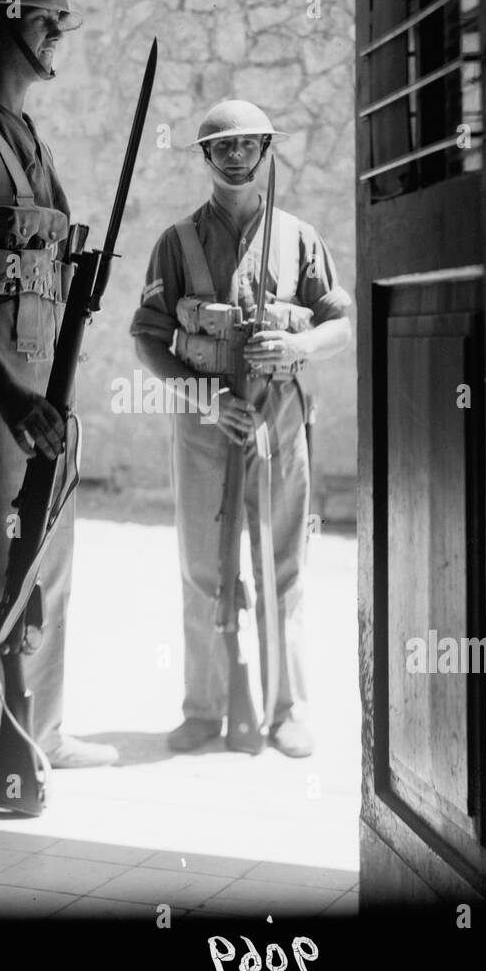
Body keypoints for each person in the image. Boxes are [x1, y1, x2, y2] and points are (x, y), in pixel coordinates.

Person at [130, 99, 352, 758]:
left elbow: (341, 321)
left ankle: (288, 711)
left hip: (278, 416)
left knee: (283, 564)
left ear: (265, 151)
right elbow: (148, 338)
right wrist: (200, 394)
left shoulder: (300, 237)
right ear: (204, 157)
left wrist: (300, 349)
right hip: (204, 420)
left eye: (246, 144)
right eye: (220, 147)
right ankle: (203, 709)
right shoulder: (176, 242)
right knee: (203, 566)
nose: (233, 156)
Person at [0, 0, 118, 804]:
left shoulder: (34, 144)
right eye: (43, 22)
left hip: (41, 390)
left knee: (43, 567)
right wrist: (10, 396)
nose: (56, 35)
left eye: (62, 23)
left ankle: (38, 733)